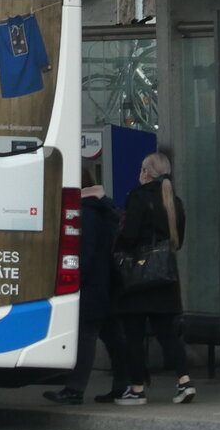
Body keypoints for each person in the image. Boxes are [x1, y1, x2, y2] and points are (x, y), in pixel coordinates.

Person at [112, 152, 195, 405]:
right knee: (167, 334)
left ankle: (137, 390)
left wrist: (118, 248)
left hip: (139, 277)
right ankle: (184, 382)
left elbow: (129, 235)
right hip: (165, 275)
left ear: (147, 172)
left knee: (134, 335)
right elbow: (178, 239)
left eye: (141, 169)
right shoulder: (175, 200)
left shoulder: (138, 198)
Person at [43, 168, 127, 404]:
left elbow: (84, 254)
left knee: (86, 336)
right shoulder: (102, 209)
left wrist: (75, 281)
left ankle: (75, 389)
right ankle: (124, 384)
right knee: (112, 337)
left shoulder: (86, 214)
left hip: (92, 285)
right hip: (107, 282)